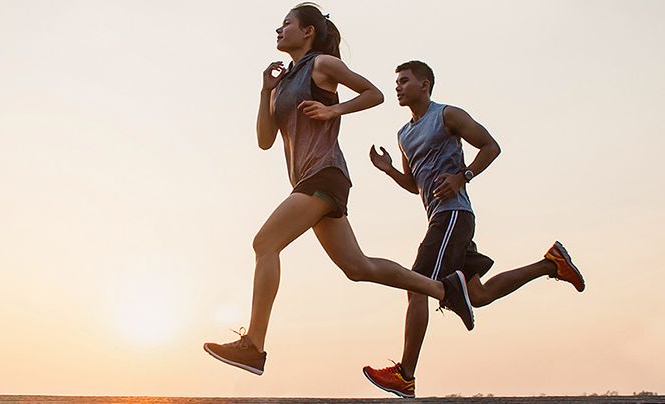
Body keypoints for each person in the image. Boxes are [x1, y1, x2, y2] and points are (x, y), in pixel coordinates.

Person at [203, 6, 475, 376]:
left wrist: (334, 111)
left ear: (308, 31)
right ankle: (445, 291)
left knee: (265, 243)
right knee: (358, 267)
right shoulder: (282, 82)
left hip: (326, 175)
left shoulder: (322, 65)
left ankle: (254, 345)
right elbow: (265, 140)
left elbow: (374, 93)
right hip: (306, 180)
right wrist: (265, 90)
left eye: (287, 24)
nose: (279, 29)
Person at [363, 60, 585, 398]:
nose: (398, 87)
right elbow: (414, 185)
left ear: (425, 85)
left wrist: (462, 176)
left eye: (404, 81)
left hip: (453, 215)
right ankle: (551, 264)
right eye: (396, 82)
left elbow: (491, 146)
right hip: (442, 216)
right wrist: (390, 170)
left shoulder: (447, 115)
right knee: (478, 295)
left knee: (416, 284)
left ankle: (405, 374)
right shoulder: (403, 134)